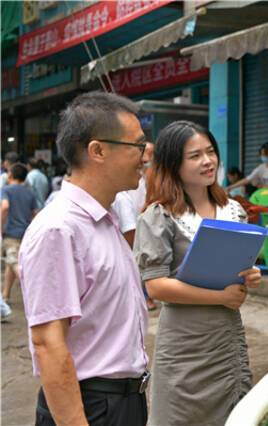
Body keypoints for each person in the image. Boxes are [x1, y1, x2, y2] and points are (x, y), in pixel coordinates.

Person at [18, 91, 151, 426]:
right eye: (137, 145)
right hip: (91, 407)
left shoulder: (106, 221)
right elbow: (49, 343)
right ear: (98, 150)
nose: (145, 155)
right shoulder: (59, 229)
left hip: (123, 401)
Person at [134, 120, 261, 426]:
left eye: (210, 152)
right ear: (173, 164)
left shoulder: (234, 209)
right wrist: (221, 296)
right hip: (183, 343)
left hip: (225, 337)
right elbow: (157, 287)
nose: (208, 161)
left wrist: (249, 275)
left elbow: (236, 269)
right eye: (194, 156)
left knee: (234, 415)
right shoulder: (158, 216)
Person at [112, 152, 158, 311]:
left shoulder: (145, 181)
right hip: (134, 231)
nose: (146, 162)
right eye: (145, 157)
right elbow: (129, 231)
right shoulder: (122, 195)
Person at [2, 163, 39, 302]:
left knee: (12, 262)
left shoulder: (6, 190)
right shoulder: (30, 193)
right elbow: (35, 213)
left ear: (10, 175)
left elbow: (5, 207)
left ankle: (32, 290)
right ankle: (5, 296)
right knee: (10, 264)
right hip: (25, 233)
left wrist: (0, 227)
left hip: (10, 233)